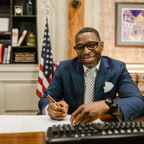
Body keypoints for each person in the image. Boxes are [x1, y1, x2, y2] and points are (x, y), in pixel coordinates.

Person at [38, 27, 144, 124]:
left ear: (101, 46)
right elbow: (46, 99)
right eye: (80, 47)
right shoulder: (64, 68)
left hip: (103, 125)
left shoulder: (117, 68)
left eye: (92, 45)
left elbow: (138, 101)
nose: (86, 51)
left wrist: (107, 104)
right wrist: (50, 108)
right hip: (72, 125)